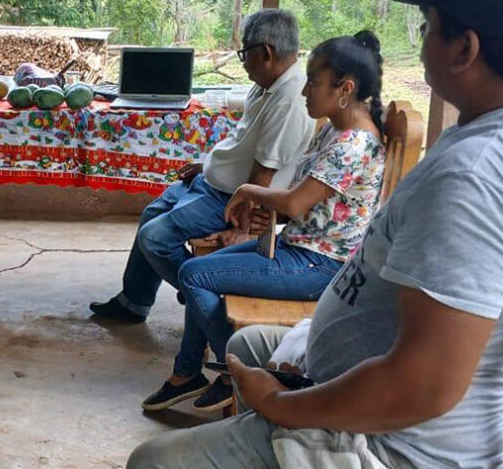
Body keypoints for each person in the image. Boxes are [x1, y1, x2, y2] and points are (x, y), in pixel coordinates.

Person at [127, 0, 503, 468]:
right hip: (372, 383)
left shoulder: (477, 179)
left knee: (151, 462)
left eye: (428, 26)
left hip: (389, 442)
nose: (421, 41)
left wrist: (282, 405)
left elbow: (420, 387)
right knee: (242, 347)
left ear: (464, 49)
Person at [142, 31, 386, 414]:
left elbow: (294, 199)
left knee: (194, 275)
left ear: (345, 89)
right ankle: (187, 374)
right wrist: (265, 216)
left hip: (320, 265)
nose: (304, 90)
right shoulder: (335, 130)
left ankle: (235, 372)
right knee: (200, 272)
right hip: (297, 248)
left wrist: (249, 191)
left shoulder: (354, 145)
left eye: (313, 82)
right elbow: (306, 204)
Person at [90, 9, 316, 323]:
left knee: (155, 238)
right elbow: (242, 142)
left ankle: (197, 285)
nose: (243, 62)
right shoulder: (268, 84)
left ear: (266, 53)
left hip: (231, 198)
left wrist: (242, 229)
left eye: (244, 53)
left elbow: (264, 174)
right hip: (215, 183)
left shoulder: (289, 100)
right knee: (151, 214)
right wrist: (207, 164)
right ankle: (134, 303)